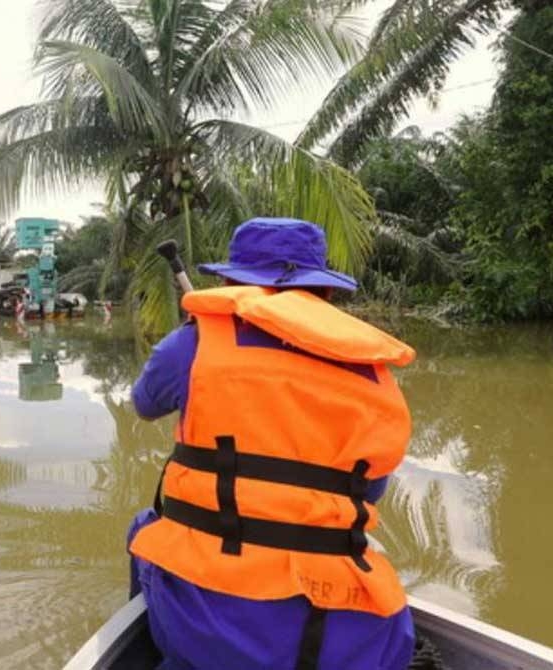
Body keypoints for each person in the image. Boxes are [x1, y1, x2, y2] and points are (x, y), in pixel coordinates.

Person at [127, 218, 417, 670]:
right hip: (350, 634)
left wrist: (193, 342)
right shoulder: (373, 371)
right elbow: (370, 491)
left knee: (145, 527)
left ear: (230, 281)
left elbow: (144, 404)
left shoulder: (195, 343)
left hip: (214, 622)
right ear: (324, 292)